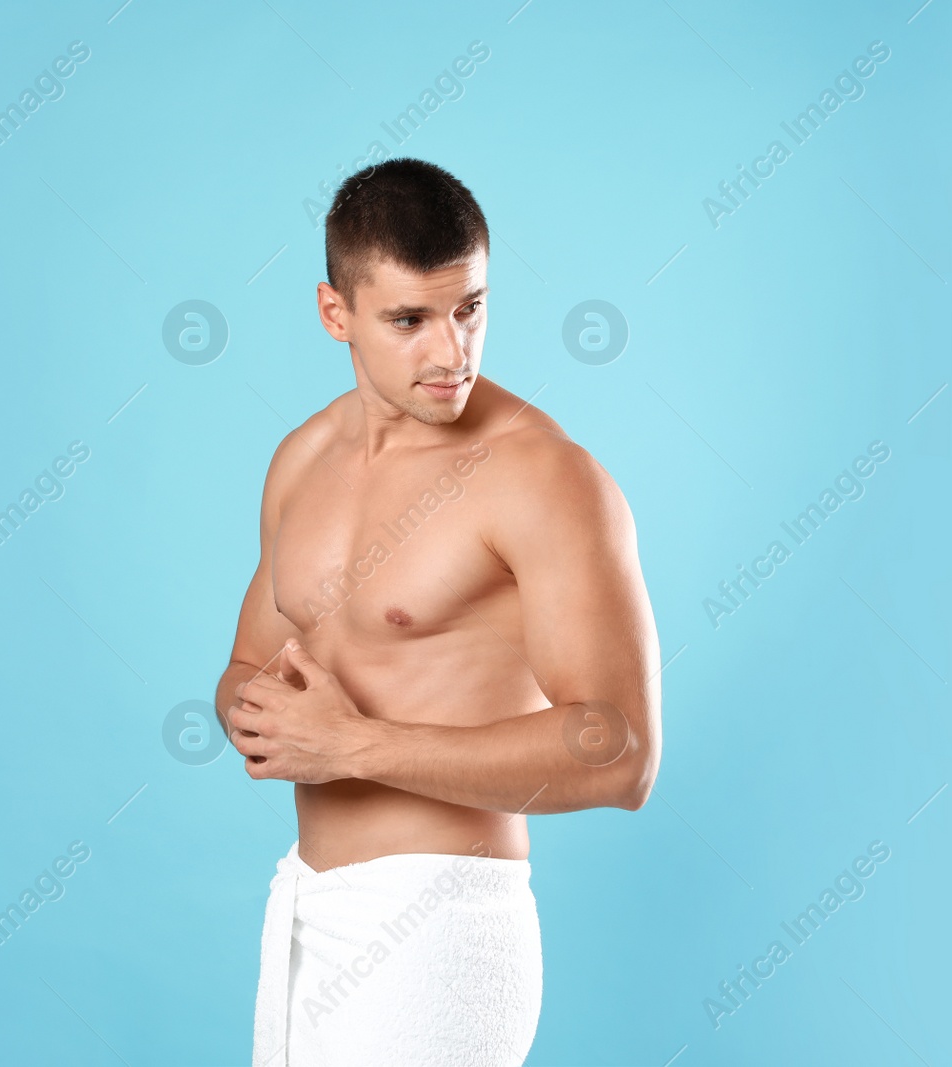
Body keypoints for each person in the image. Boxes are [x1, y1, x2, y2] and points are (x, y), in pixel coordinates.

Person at [215, 157, 661, 1067]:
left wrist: (355, 746)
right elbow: (250, 667)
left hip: (441, 926)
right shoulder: (301, 460)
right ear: (334, 312)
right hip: (308, 908)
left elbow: (620, 752)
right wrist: (255, 717)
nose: (452, 350)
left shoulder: (543, 476)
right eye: (411, 320)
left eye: (471, 308)